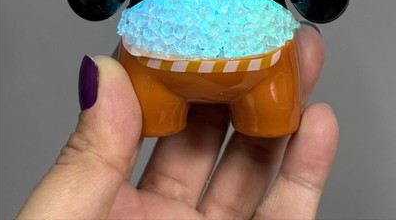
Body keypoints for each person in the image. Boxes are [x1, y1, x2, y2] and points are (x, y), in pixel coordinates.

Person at [17, 23, 338, 220]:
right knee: (148, 113)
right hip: (155, 62)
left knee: (271, 115)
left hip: (263, 60)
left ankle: (268, 112)